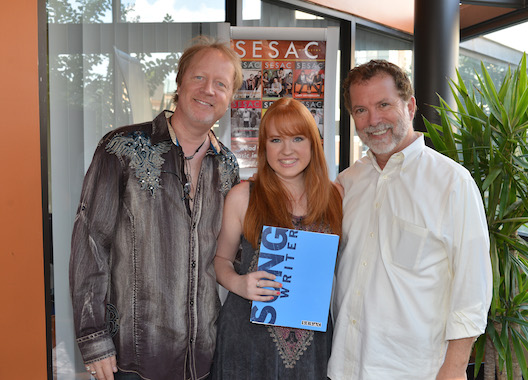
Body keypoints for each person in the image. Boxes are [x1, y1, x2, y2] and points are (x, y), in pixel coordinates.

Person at [69, 36, 243, 380]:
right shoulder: (122, 147)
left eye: (220, 84)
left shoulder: (228, 165)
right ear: (179, 83)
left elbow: (232, 253)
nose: (208, 90)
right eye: (199, 78)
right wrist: (94, 340)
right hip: (132, 357)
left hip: (204, 358)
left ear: (229, 99)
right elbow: (91, 242)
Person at [328, 60, 492, 379]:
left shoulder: (452, 183)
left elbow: (472, 289)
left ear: (410, 105)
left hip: (415, 370)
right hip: (345, 365)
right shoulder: (347, 183)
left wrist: (455, 369)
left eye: (384, 104)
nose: (373, 120)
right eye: (361, 110)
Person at [211, 97, 342, 379]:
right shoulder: (243, 196)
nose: (286, 150)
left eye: (297, 138)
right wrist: (239, 283)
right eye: (275, 140)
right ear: (263, 146)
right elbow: (220, 259)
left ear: (313, 143)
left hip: (312, 343)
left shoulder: (335, 198)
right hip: (246, 342)